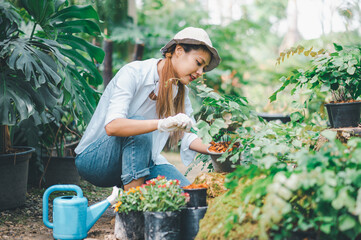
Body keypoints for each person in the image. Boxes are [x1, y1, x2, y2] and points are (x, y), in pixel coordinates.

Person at [74, 27, 221, 192]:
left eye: (204, 68)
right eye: (199, 63)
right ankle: (131, 210)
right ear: (179, 51)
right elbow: (113, 126)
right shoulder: (134, 73)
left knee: (189, 195)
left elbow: (190, 135)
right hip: (96, 161)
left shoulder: (181, 91)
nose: (201, 72)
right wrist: (161, 124)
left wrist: (221, 149)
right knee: (139, 127)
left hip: (141, 161)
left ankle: (138, 203)